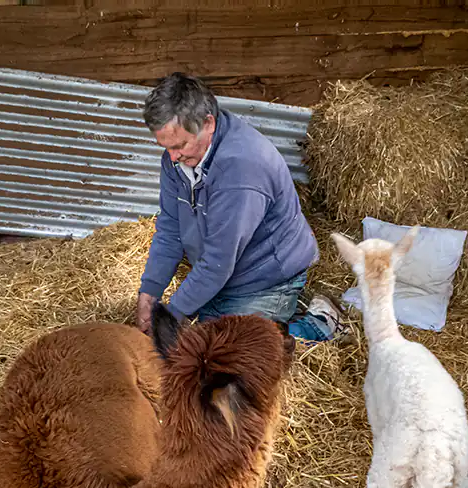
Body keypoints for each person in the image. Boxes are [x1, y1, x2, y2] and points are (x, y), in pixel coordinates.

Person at [136, 72, 344, 341]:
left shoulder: (239, 169)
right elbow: (170, 228)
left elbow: (218, 262)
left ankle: (318, 325)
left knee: (226, 349)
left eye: (180, 145)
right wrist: (149, 293)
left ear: (208, 123)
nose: (172, 157)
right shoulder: (178, 159)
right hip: (224, 273)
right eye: (166, 147)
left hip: (265, 279)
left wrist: (170, 318)